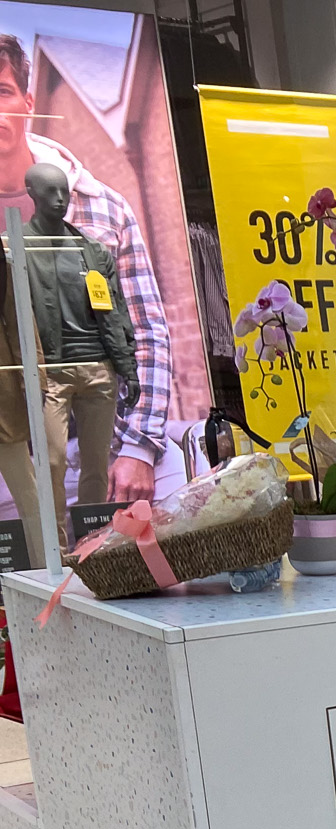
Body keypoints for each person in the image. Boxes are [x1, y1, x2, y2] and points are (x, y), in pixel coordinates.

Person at [0, 32, 169, 514]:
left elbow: (145, 332)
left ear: (28, 102)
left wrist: (139, 446)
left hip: (101, 444)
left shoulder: (102, 208)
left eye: (2, 92)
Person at [24, 162, 138, 518]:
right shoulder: (16, 250)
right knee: (52, 461)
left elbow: (116, 313)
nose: (60, 199)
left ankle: (91, 538)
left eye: (64, 191)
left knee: (96, 464)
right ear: (31, 193)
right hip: (50, 373)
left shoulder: (93, 251)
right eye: (50, 191)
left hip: (99, 370)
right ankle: (55, 543)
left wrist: (128, 368)